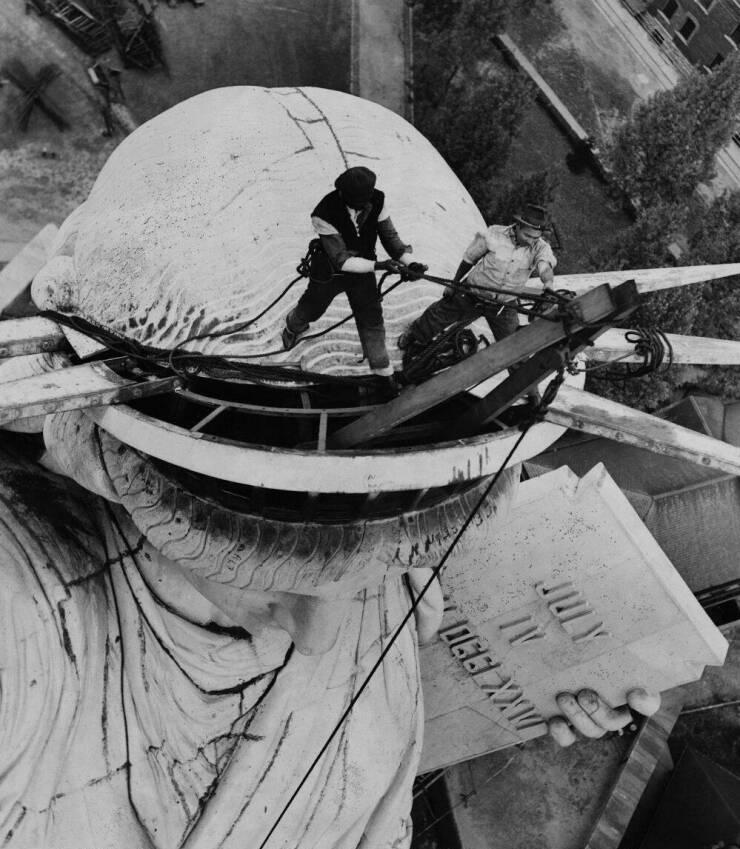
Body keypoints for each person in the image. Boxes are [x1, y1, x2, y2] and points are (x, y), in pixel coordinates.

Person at [282, 166, 427, 395]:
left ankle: (383, 373)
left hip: (363, 270)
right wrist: (379, 266)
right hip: (330, 271)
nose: (364, 205)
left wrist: (411, 263)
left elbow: (390, 237)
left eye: (366, 200)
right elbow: (341, 260)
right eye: (358, 202)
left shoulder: (376, 200)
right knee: (312, 307)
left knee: (371, 319)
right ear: (343, 194)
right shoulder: (323, 213)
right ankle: (293, 326)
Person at [399, 203, 556, 353]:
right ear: (518, 225)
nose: (531, 241)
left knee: (513, 345)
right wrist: (454, 284)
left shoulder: (540, 248)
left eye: (535, 238)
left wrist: (548, 284)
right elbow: (469, 259)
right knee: (436, 317)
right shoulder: (494, 233)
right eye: (527, 235)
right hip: (472, 293)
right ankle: (414, 335)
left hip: (503, 305)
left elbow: (545, 266)